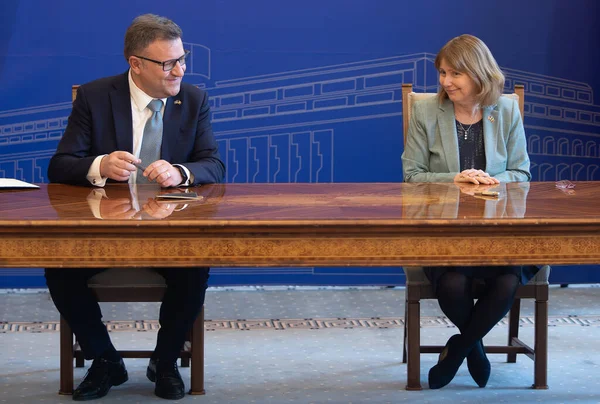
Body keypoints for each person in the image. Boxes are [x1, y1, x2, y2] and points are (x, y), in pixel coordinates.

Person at [45, 14, 225, 401]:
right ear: (136, 64)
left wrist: (180, 170)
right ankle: (106, 360)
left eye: (182, 58)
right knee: (58, 265)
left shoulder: (193, 100)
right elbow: (60, 166)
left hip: (169, 228)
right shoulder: (95, 97)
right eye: (168, 63)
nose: (180, 70)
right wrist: (100, 165)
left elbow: (214, 164)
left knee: (195, 265)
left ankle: (165, 361)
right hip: (104, 229)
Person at [401, 34, 538, 389]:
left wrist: (490, 179)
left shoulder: (506, 111)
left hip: (500, 230)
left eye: (455, 74)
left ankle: (459, 346)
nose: (446, 82)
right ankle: (474, 348)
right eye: (443, 73)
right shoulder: (426, 111)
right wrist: (457, 178)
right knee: (451, 281)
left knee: (508, 280)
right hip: (443, 230)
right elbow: (412, 175)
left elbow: (522, 173)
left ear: (479, 74)